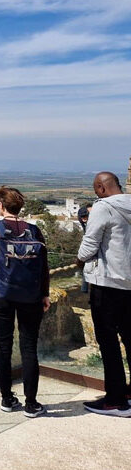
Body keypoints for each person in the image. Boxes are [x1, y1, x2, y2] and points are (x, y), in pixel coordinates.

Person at [0, 186, 50, 418]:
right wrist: (45, 294)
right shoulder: (34, 230)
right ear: (20, 206)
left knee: (4, 345)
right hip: (31, 296)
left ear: (1, 205)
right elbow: (44, 267)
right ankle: (31, 404)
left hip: (2, 295)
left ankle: (7, 399)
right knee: (29, 347)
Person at [77, 172, 131, 417]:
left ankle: (116, 400)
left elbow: (90, 244)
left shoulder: (102, 208)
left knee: (108, 343)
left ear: (100, 187)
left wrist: (79, 260)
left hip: (107, 284)